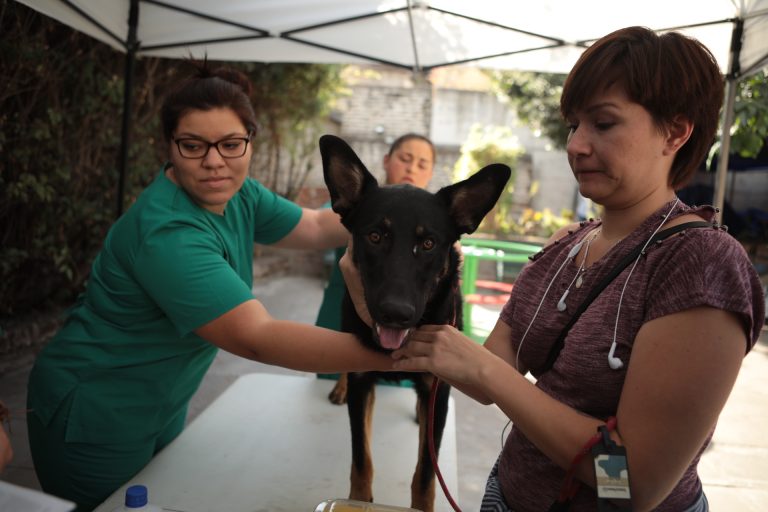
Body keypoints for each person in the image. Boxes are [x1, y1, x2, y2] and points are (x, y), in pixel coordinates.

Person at [386, 27, 765, 511]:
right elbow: (485, 375)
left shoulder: (702, 266)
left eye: (603, 124)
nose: (576, 145)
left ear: (675, 131)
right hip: (506, 495)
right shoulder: (567, 244)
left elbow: (632, 482)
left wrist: (484, 369)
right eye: (573, 125)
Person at [25, 64, 393, 512]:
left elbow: (317, 226)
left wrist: (391, 210)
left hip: (163, 398)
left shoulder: (240, 194)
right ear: (169, 147)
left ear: (250, 141)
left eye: (231, 144)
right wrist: (397, 352)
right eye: (193, 145)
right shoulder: (167, 234)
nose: (214, 161)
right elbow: (256, 337)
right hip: (96, 411)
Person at [315, 133, 435, 400]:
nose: (411, 168)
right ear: (386, 160)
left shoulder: (434, 226)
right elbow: (323, 223)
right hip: (341, 335)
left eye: (422, 164)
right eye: (404, 159)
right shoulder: (354, 207)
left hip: (400, 338)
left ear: (432, 172)